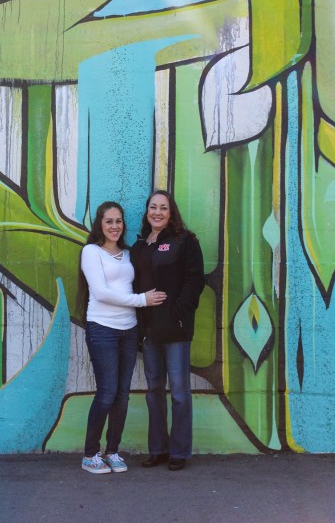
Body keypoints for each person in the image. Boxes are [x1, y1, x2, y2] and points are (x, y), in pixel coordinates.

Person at [78, 201, 166, 474]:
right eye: (109, 222)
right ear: (100, 225)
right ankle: (90, 454)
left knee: (122, 395)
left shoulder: (128, 254)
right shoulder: (91, 252)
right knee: (106, 393)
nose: (115, 226)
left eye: (118, 221)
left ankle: (112, 451)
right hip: (102, 328)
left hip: (129, 331)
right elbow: (102, 293)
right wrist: (142, 300)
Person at [131, 190, 205, 472]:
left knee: (179, 392)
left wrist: (179, 312)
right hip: (149, 330)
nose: (157, 212)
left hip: (176, 328)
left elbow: (194, 280)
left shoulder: (185, 241)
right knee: (154, 391)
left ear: (171, 212)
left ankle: (179, 451)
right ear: (147, 211)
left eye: (163, 208)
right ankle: (158, 449)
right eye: (153, 207)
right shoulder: (139, 246)